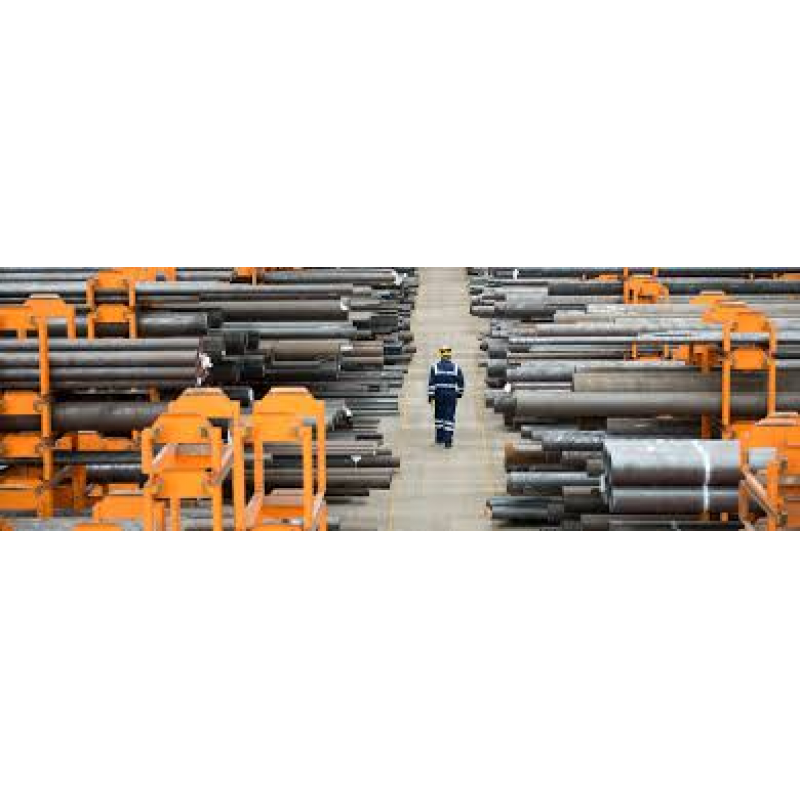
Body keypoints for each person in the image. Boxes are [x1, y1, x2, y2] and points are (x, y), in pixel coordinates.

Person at [427, 346, 465, 448]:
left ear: (441, 355)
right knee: (449, 416)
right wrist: (459, 393)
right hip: (451, 395)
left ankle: (439, 438)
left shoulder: (435, 367)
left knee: (439, 416)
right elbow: (461, 382)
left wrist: (431, 396)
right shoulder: (456, 368)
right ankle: (448, 441)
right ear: (449, 355)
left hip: (439, 394)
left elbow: (431, 383)